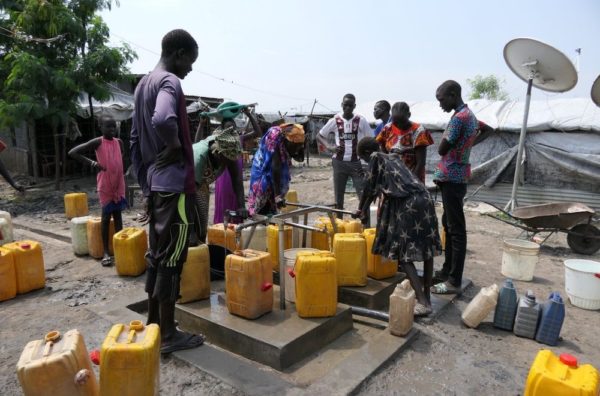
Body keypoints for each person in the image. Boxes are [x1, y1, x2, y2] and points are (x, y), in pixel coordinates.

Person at [130, 29, 204, 354]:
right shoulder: (168, 83)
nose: (189, 69)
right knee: (173, 258)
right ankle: (170, 334)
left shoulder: (142, 85)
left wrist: (146, 187)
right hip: (174, 187)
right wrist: (174, 145)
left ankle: (154, 324)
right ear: (177, 53)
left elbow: (134, 142)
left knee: (157, 256)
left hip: (157, 187)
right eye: (189, 61)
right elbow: (163, 119)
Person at [354, 137, 441, 316]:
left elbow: (369, 189)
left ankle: (422, 302)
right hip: (425, 199)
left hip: (408, 204)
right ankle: (427, 297)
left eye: (362, 158)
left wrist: (360, 210)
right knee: (426, 250)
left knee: (403, 254)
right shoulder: (393, 157)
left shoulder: (376, 158)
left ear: (365, 153)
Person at [431, 80, 478, 295]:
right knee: (448, 225)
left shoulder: (459, 118)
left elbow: (441, 149)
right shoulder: (468, 115)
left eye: (441, 99)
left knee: (456, 229)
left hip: (453, 177)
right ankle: (447, 270)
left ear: (452, 94)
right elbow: (483, 130)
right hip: (456, 177)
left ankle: (454, 281)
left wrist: (453, 143)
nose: (440, 104)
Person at [69, 115, 126, 266]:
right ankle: (106, 252)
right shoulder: (98, 142)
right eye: (108, 127)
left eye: (114, 126)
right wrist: (93, 163)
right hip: (106, 186)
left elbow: (123, 156)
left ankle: (119, 248)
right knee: (106, 218)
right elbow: (73, 152)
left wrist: (118, 168)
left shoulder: (119, 142)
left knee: (119, 217)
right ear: (101, 127)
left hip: (118, 185)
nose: (112, 129)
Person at [316, 94, 372, 225]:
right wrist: (329, 146)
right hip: (339, 162)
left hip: (356, 163)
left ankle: (366, 225)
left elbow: (371, 139)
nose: (347, 107)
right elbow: (319, 136)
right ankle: (339, 226)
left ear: (354, 106)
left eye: (350, 105)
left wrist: (366, 154)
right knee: (338, 197)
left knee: (362, 195)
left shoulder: (361, 120)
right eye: (345, 105)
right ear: (342, 105)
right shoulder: (335, 120)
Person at [193, 125, 248, 243]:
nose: (229, 163)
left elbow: (237, 181)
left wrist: (241, 206)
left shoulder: (228, 152)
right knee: (190, 228)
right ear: (217, 154)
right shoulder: (199, 156)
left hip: (201, 185)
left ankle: (200, 245)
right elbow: (189, 195)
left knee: (202, 226)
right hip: (182, 186)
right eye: (226, 160)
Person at [213, 105, 261, 224]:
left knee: (237, 199)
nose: (231, 129)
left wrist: (249, 114)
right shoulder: (218, 139)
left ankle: (235, 229)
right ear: (223, 128)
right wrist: (201, 125)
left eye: (233, 126)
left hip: (236, 177)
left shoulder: (240, 138)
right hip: (223, 178)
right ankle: (222, 228)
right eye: (228, 127)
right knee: (225, 203)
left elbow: (258, 132)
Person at [248, 123, 305, 215]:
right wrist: (278, 196)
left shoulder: (296, 139)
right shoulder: (274, 138)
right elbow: (275, 168)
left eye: (299, 145)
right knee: (264, 191)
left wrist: (300, 147)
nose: (297, 148)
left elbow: (300, 158)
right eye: (295, 146)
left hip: (277, 166)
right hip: (262, 167)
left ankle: (271, 216)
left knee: (274, 200)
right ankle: (260, 217)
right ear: (288, 141)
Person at [375, 102, 434, 184]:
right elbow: (381, 146)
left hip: (413, 176)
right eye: (395, 122)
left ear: (409, 115)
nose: (399, 125)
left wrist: (412, 181)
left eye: (402, 121)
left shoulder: (419, 131)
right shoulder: (388, 128)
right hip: (393, 175)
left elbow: (421, 162)